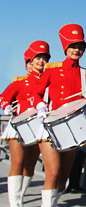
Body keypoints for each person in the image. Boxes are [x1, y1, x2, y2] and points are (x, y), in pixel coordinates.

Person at [34, 24, 86, 207]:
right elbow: (36, 93)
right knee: (53, 173)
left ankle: (54, 201)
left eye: (80, 47)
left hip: (73, 129)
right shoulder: (52, 69)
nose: (77, 50)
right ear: (65, 48)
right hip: (51, 126)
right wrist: (41, 107)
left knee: (63, 177)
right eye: (73, 46)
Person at [0, 41, 52, 207]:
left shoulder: (50, 83)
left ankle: (20, 195)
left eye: (44, 58)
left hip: (39, 127)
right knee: (17, 162)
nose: (40, 62)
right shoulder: (20, 82)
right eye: (36, 59)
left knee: (30, 165)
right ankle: (15, 203)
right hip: (19, 126)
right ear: (28, 62)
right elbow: (4, 98)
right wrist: (7, 107)